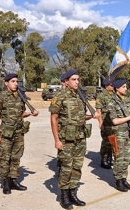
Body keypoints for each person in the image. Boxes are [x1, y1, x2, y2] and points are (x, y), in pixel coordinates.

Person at [49, 69, 93, 209]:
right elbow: (54, 119)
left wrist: (92, 116)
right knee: (66, 168)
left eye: (78, 79)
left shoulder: (80, 95)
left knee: (77, 167)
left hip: (80, 137)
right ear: (66, 81)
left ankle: (73, 193)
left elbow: (80, 117)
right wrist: (57, 140)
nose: (77, 82)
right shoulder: (60, 96)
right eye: (74, 79)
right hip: (66, 139)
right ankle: (64, 196)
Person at [0, 73, 39, 195]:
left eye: (17, 81)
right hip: (6, 133)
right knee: (4, 157)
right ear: (6, 83)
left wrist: (30, 113)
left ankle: (14, 180)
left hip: (19, 132)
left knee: (16, 157)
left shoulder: (20, 97)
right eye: (13, 81)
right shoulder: (0, 97)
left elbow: (20, 114)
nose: (15, 83)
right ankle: (6, 183)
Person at [108, 78, 130, 192]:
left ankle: (124, 179)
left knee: (126, 158)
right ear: (117, 88)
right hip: (118, 134)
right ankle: (118, 181)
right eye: (123, 87)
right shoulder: (112, 101)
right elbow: (115, 121)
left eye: (125, 86)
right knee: (119, 158)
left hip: (127, 133)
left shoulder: (127, 99)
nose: (126, 88)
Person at [95, 77, 114, 169]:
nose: (113, 86)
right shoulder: (101, 96)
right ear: (107, 86)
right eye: (111, 85)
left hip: (113, 123)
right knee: (106, 142)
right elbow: (98, 111)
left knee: (112, 141)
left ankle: (110, 158)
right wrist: (101, 123)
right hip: (106, 123)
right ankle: (104, 159)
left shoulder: (114, 94)